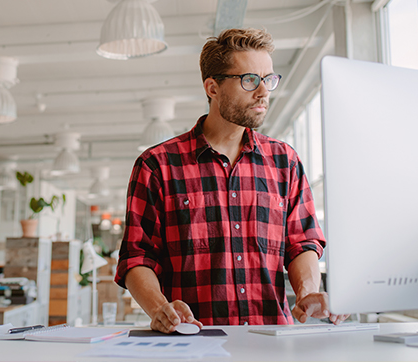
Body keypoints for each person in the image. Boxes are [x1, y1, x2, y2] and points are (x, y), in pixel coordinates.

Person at [114, 28, 349, 333]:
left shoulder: (284, 161)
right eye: (249, 80)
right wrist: (161, 309)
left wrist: (306, 293)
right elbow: (137, 256)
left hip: (271, 343)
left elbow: (301, 242)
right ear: (212, 87)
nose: (263, 92)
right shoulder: (157, 165)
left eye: (269, 80)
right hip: (192, 343)